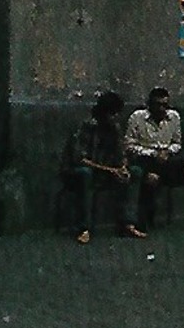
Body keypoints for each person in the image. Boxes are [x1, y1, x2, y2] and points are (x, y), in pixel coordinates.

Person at [63, 90, 147, 242]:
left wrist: (123, 168)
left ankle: (128, 223)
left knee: (136, 172)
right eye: (112, 114)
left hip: (107, 172)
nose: (115, 118)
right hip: (83, 172)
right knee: (85, 174)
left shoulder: (115, 128)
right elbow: (80, 159)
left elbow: (121, 153)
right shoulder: (86, 126)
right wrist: (111, 170)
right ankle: (84, 228)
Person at [125, 86, 184, 233]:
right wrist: (152, 153)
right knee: (152, 179)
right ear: (149, 105)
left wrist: (167, 151)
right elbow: (129, 145)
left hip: (168, 160)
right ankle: (146, 217)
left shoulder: (173, 117)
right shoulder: (137, 117)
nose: (162, 109)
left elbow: (177, 143)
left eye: (165, 105)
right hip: (146, 160)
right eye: (158, 105)